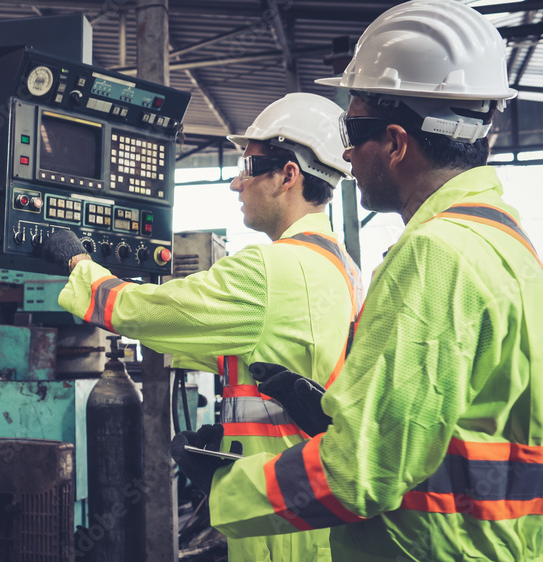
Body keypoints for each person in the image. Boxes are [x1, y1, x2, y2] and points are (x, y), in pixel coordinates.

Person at [173, 1, 543, 560]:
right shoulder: (511, 248)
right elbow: (461, 426)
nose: (344, 151)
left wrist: (226, 493)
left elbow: (359, 471)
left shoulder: (433, 256)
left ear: (395, 143)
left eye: (351, 128)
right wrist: (333, 414)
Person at [44, 92, 362, 561]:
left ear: (288, 175)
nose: (236, 183)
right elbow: (273, 351)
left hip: (277, 527)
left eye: (249, 166)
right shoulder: (344, 268)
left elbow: (143, 311)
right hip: (316, 511)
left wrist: (79, 265)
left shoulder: (269, 268)